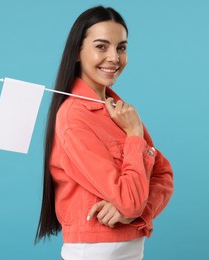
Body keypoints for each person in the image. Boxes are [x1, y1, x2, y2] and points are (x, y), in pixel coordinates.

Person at [35, 6, 174, 260]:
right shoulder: (74, 118)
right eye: (101, 46)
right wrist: (134, 133)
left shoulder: (119, 111)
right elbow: (130, 198)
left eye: (121, 47)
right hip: (94, 252)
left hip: (129, 250)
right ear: (77, 51)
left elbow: (163, 175)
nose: (114, 57)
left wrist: (136, 212)